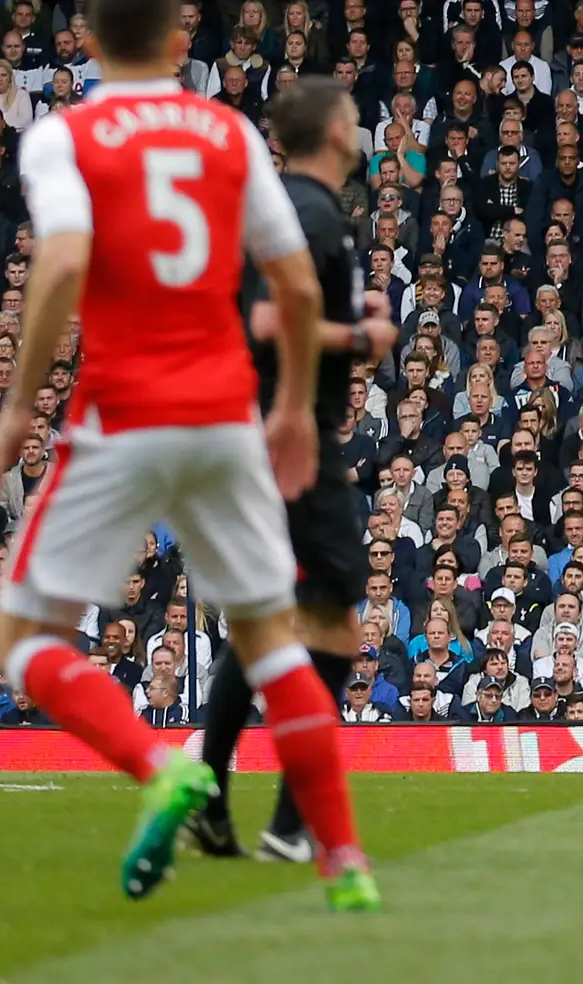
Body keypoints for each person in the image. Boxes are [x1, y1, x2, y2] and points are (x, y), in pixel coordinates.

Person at [0, 0, 377, 911]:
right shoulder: (231, 134)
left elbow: (64, 259)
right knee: (277, 640)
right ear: (182, 45)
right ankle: (343, 859)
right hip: (229, 417)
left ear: (90, 45)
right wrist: (289, 410)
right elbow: (299, 285)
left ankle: (161, 766)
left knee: (22, 639)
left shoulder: (65, 136)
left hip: (121, 416)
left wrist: (22, 404)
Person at [187, 78, 395, 867]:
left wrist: (350, 326)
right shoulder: (307, 212)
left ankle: (213, 795)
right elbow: (269, 319)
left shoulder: (293, 210)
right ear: (337, 129)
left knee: (276, 614)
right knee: (336, 618)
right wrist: (359, 341)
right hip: (290, 432)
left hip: (265, 430)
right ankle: (290, 818)